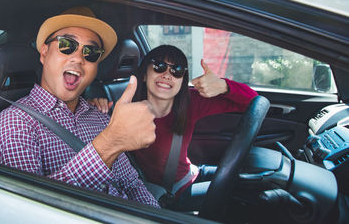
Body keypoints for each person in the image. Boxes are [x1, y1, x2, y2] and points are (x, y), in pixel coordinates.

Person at [0, 6, 159, 207]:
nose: (78, 58)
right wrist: (109, 144)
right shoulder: (15, 122)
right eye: (67, 45)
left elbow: (132, 185)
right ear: (44, 53)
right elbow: (29, 208)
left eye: (91, 52)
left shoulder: (100, 117)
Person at [89, 45, 257, 210]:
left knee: (252, 183)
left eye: (176, 70)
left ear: (183, 80)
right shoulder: (124, 108)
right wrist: (97, 107)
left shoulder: (191, 101)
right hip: (166, 194)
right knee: (239, 198)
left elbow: (254, 102)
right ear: (144, 75)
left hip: (190, 174)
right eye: (159, 66)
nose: (167, 75)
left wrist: (223, 86)